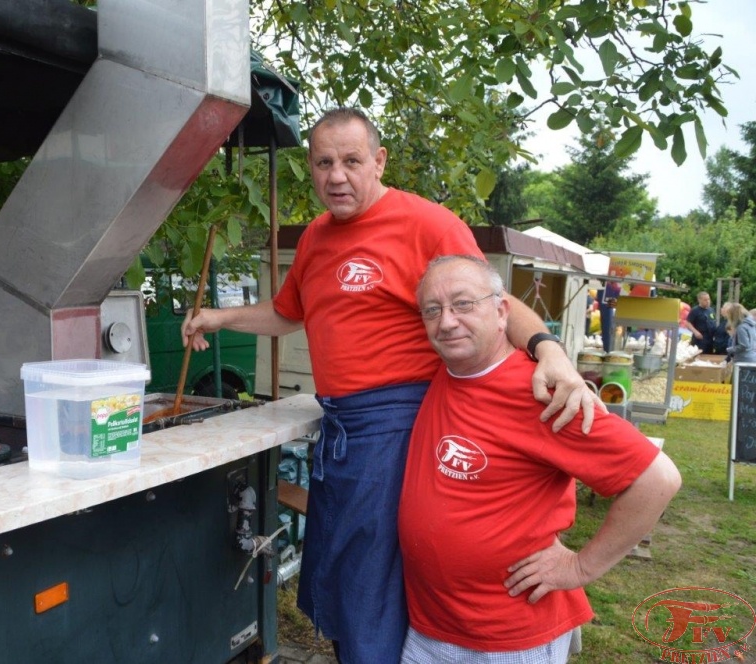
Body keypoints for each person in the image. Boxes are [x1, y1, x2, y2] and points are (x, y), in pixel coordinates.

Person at [181, 108, 597, 663]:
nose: (337, 175)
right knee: (347, 567)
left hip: (402, 423)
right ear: (311, 168)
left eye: (352, 161)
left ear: (378, 161)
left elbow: (493, 298)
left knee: (372, 573)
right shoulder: (315, 241)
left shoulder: (426, 223)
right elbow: (287, 313)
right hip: (343, 427)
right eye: (324, 162)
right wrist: (218, 317)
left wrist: (550, 352)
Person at [399, 255, 681, 662]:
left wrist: (581, 568)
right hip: (431, 628)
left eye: (464, 304)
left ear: (501, 313)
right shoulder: (445, 370)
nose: (446, 322)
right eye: (432, 310)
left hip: (510, 637)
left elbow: (658, 479)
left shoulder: (542, 394)